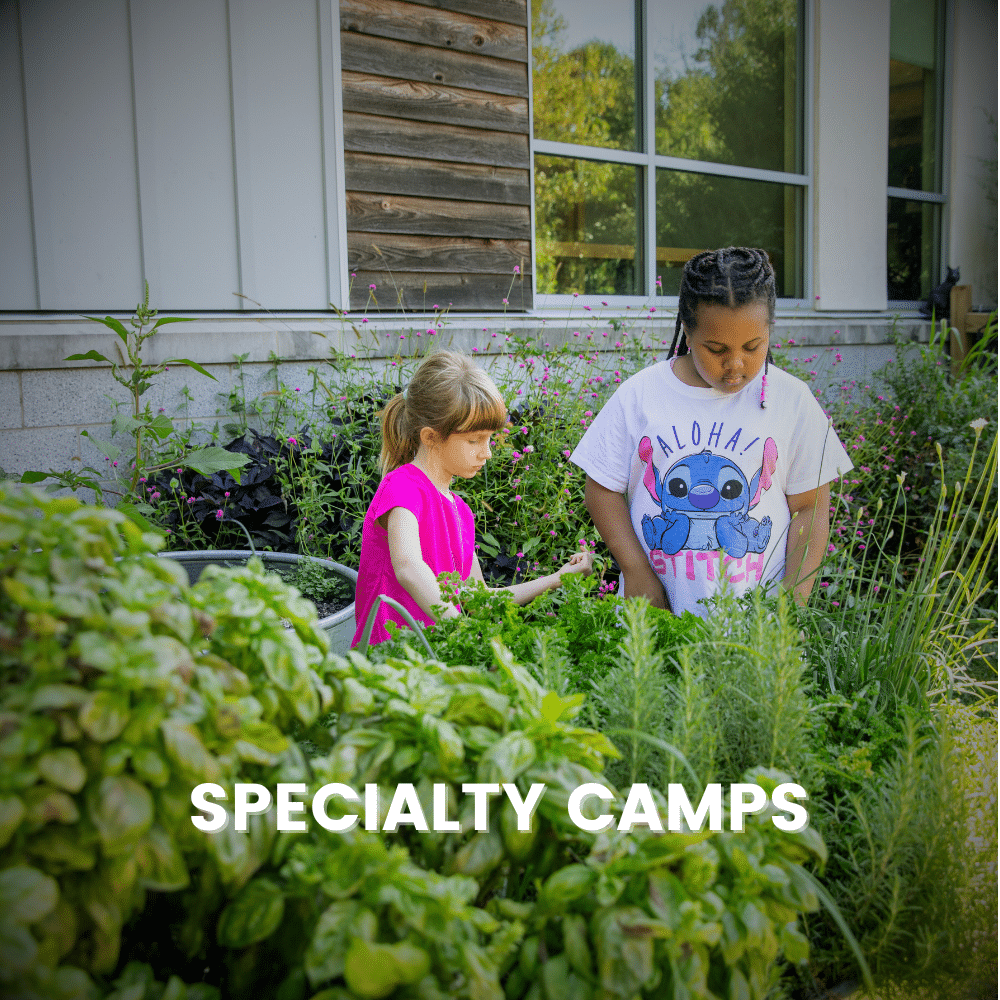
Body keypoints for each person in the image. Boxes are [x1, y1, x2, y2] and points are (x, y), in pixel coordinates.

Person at [571, 247, 853, 617]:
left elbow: (811, 509)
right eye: (716, 349)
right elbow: (602, 487)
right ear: (687, 331)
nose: (736, 364)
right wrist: (636, 570)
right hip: (658, 618)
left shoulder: (793, 401)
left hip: (759, 627)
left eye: (753, 347)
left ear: (769, 329)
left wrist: (792, 605)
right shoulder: (642, 396)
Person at [353, 350, 593, 647]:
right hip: (389, 663)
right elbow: (409, 568)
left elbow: (478, 600)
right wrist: (465, 633)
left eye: (489, 439)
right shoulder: (402, 488)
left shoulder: (460, 513)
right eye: (474, 440)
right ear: (430, 437)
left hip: (435, 660)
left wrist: (559, 577)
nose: (487, 452)